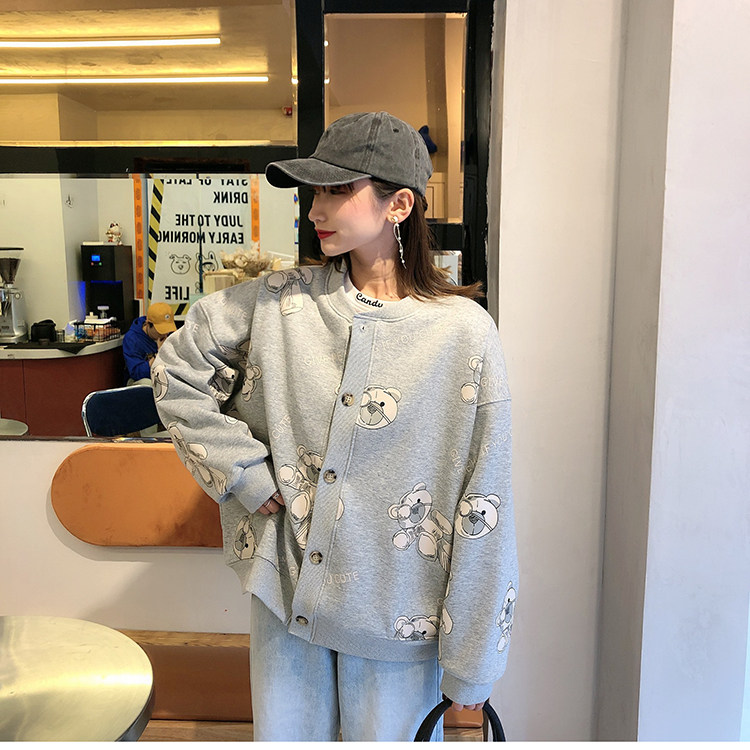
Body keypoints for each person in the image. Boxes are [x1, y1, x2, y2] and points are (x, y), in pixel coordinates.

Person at [152, 111, 518, 742]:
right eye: (314, 191)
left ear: (399, 204)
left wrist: (473, 667)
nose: (316, 209)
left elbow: (486, 500)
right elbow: (176, 370)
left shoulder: (462, 335)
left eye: (337, 191)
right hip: (289, 598)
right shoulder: (279, 301)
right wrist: (242, 472)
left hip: (396, 617)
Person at [122, 302, 176, 385]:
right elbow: (136, 373)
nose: (165, 334)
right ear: (148, 324)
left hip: (165, 375)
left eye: (167, 329)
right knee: (148, 383)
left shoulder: (170, 334)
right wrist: (159, 354)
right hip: (140, 380)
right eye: (161, 330)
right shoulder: (132, 339)